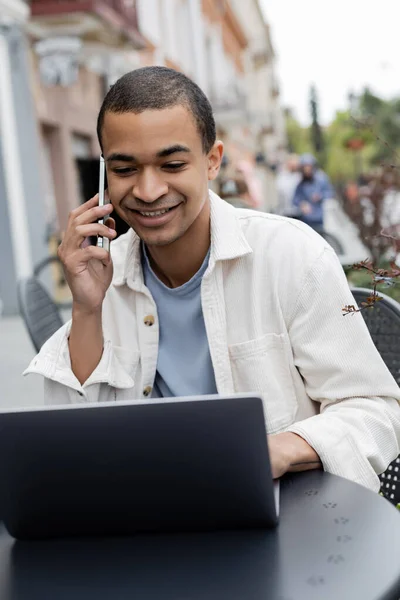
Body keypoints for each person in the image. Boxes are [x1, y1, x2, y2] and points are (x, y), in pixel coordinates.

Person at [25, 67, 400, 491]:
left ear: (212, 160)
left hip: (285, 514)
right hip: (147, 513)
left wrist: (277, 450)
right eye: (125, 169)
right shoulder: (99, 275)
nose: (148, 191)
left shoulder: (293, 256)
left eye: (172, 164)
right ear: (104, 174)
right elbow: (72, 444)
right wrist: (86, 309)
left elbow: (375, 411)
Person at [292, 153, 333, 232]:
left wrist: (320, 196)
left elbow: (330, 193)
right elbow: (295, 199)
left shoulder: (322, 179)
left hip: (320, 219)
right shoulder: (301, 183)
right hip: (306, 220)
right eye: (304, 168)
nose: (307, 170)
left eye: (308, 167)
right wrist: (302, 204)